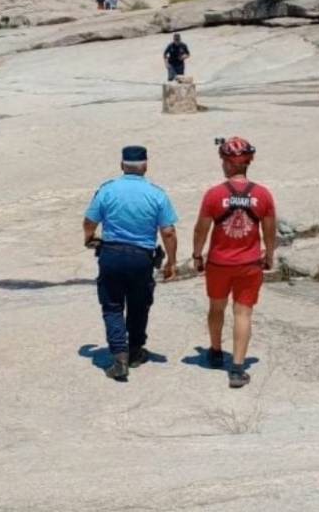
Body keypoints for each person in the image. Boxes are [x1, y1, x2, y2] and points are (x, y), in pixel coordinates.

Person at [83, 145, 179, 381]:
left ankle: (119, 358)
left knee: (113, 306)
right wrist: (172, 263)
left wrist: (89, 238)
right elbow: (168, 232)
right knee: (139, 305)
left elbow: (89, 220)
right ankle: (135, 351)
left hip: (111, 255)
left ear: (121, 165)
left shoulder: (107, 190)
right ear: (145, 166)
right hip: (141, 258)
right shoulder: (157, 194)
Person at [191, 137, 276, 389]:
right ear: (248, 163)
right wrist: (269, 254)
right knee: (243, 312)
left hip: (219, 263)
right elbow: (270, 231)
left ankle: (216, 351)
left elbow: (201, 229)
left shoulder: (214, 195)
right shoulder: (262, 195)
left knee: (216, 308)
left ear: (226, 164)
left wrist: (197, 255)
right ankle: (237, 368)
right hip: (249, 263)